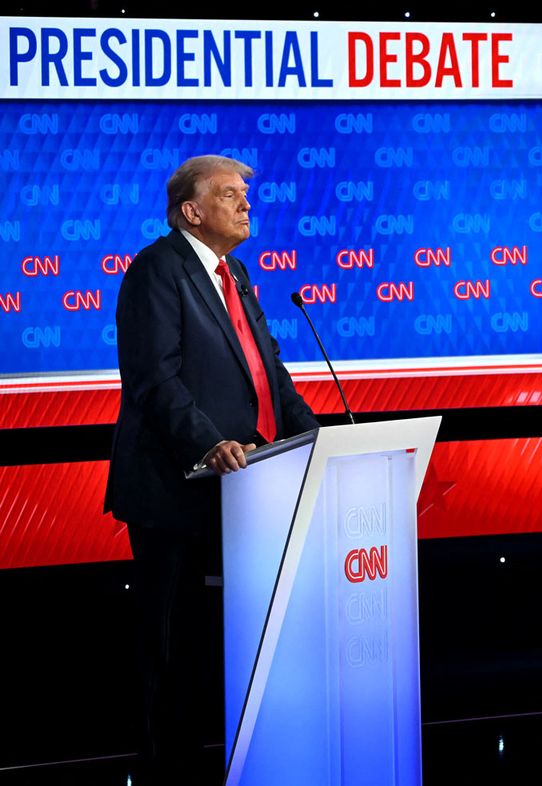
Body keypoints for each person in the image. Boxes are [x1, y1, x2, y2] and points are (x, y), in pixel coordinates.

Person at [104, 155, 319, 783]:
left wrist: (324, 441)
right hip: (177, 492)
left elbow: (268, 374)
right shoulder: (156, 270)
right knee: (170, 646)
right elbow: (154, 378)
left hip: (245, 490)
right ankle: (164, 768)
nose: (246, 204)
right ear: (192, 211)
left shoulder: (236, 275)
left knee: (222, 646)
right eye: (230, 194)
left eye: (245, 195)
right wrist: (209, 444)